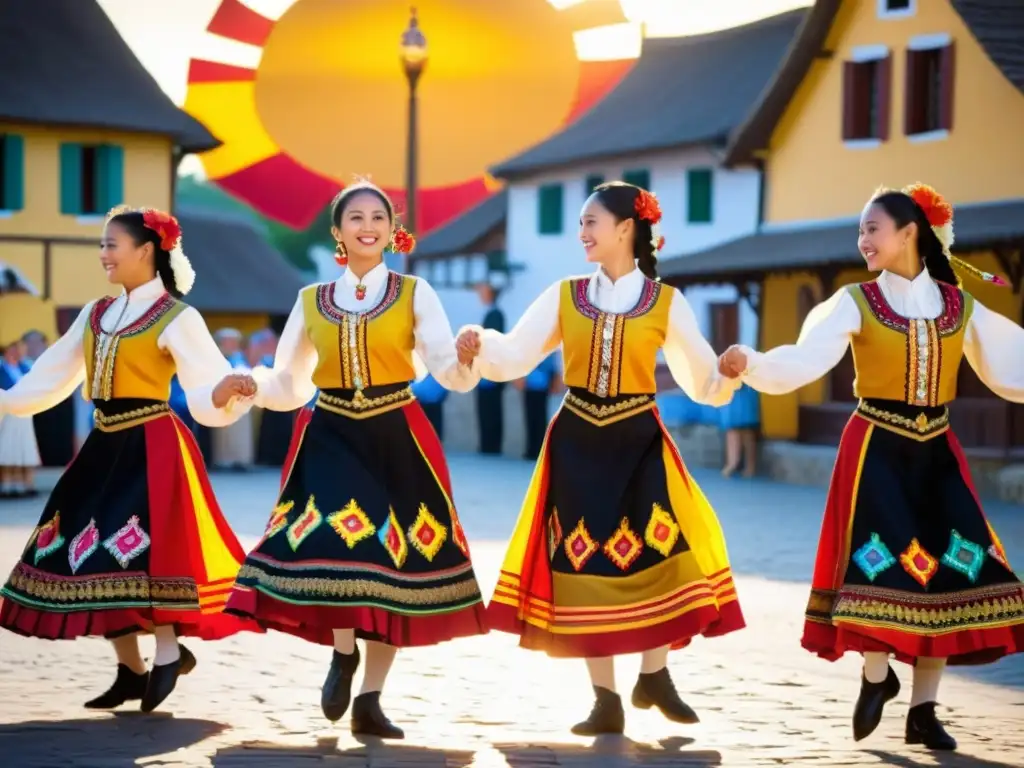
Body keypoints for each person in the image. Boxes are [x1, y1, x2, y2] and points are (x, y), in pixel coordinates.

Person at [718, 183, 1024, 751]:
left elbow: (1013, 362)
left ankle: (924, 711)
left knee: (950, 568)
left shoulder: (959, 306)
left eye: (872, 229)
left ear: (910, 233)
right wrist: (753, 364)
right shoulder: (854, 302)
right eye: (860, 231)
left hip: (936, 448)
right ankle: (876, 677)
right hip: (876, 450)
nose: (863, 241)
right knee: (879, 568)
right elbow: (805, 358)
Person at [456, 182, 745, 735]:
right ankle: (605, 699)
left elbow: (700, 377)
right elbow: (515, 353)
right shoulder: (564, 295)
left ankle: (654, 674)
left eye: (591, 221)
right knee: (585, 562)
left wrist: (727, 374)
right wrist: (480, 342)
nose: (582, 232)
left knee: (663, 553)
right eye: (581, 222)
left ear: (625, 228)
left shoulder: (666, 302)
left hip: (639, 440)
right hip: (579, 441)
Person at [226, 182, 488, 738]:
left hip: (397, 433)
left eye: (378, 216)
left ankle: (371, 698)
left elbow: (445, 367)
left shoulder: (416, 292)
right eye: (355, 217)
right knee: (338, 542)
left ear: (393, 229)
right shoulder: (309, 300)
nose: (367, 225)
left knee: (396, 564)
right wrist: (251, 383)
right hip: (331, 432)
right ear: (338, 232)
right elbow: (290, 381)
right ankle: (344, 652)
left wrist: (465, 361)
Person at [0, 206, 260, 713]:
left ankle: (168, 652)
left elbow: (204, 384)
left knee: (147, 552)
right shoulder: (96, 313)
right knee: (92, 553)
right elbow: (52, 373)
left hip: (152, 443)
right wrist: (6, 398)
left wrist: (226, 389)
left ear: (146, 251)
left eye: (111, 245)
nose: (103, 255)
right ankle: (131, 669)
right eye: (101, 245)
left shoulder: (177, 317)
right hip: (103, 445)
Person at [0, 338, 41, 497]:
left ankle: (25, 484)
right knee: (8, 450)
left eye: (19, 350)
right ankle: (7, 485)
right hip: (7, 414)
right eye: (13, 350)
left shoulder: (25, 367)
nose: (16, 353)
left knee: (24, 450)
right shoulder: (1, 368)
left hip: (24, 414)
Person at [211, 328, 255, 471]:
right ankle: (223, 460)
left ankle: (241, 460)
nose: (232, 344)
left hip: (240, 399)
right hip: (222, 398)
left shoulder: (239, 357)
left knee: (240, 432)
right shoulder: (216, 356)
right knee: (222, 432)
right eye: (229, 341)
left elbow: (246, 372)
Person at [475, 283, 506, 455]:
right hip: (484, 370)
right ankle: (486, 443)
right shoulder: (489, 312)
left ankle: (492, 445)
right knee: (484, 408)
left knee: (492, 409)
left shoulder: (495, 314)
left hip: (491, 371)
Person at [518, 352, 560, 461]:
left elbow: (553, 368)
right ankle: (531, 450)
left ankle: (540, 451)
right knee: (530, 419)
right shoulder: (530, 350)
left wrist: (554, 382)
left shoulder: (549, 351)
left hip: (543, 388)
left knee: (541, 420)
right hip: (529, 387)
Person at [719, 382, 760, 478]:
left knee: (740, 428)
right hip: (735, 387)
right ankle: (737, 463)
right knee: (739, 428)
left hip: (739, 385)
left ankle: (734, 463)